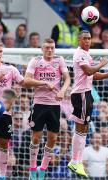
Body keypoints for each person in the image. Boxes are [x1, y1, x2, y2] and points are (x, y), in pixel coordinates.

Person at [0, 41, 49, 180]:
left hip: (5, 114)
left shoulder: (11, 69)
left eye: (0, 51)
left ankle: (1, 176)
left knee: (4, 145)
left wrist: (41, 80)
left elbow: (25, 83)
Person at [66, 30, 108, 178]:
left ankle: (76, 161)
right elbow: (89, 70)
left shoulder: (87, 55)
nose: (87, 41)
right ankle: (75, 160)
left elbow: (93, 75)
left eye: (89, 38)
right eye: (84, 38)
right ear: (79, 40)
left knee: (83, 128)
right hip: (82, 94)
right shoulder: (79, 54)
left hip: (86, 93)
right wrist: (102, 63)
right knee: (81, 128)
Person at [25, 38, 71, 179]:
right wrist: (44, 82)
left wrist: (63, 90)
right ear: (42, 49)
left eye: (52, 47)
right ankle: (33, 167)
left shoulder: (59, 60)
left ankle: (43, 168)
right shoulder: (35, 61)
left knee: (52, 138)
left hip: (55, 105)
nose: (50, 50)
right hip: (39, 104)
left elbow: (67, 78)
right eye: (47, 48)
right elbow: (26, 80)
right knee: (36, 137)